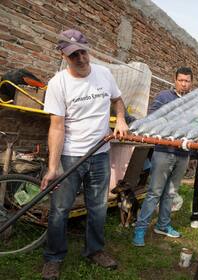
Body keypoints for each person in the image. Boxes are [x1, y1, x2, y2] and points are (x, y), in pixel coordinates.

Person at [40, 29, 129, 280]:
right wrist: (53, 167)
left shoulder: (104, 74)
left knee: (99, 206)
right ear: (63, 55)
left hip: (100, 153)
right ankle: (54, 257)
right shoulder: (58, 83)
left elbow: (118, 100)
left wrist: (120, 119)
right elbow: (56, 127)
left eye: (83, 52)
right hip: (71, 155)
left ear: (88, 50)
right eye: (73, 55)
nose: (80, 58)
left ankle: (94, 250)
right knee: (60, 209)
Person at [132, 67, 193, 246]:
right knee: (154, 192)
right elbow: (153, 117)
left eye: (187, 81)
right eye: (181, 80)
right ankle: (140, 230)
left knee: (171, 193)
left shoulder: (194, 100)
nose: (184, 83)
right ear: (174, 80)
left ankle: (163, 225)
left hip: (183, 154)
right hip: (164, 152)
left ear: (192, 82)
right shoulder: (164, 97)